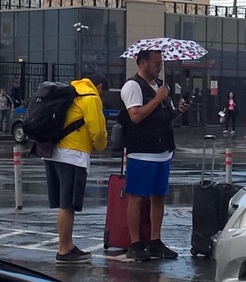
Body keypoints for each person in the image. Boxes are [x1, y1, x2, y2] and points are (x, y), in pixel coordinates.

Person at [120, 50, 188, 261]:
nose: (160, 67)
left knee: (159, 197)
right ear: (142, 63)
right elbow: (136, 116)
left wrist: (177, 110)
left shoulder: (159, 86)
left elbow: (164, 116)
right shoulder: (133, 86)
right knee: (137, 197)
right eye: (156, 63)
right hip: (142, 152)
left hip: (163, 150)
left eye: (161, 63)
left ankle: (155, 241)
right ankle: (135, 243)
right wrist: (158, 99)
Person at [44, 73, 109, 264]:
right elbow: (97, 131)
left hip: (54, 152)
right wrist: (101, 145)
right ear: (99, 86)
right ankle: (64, 249)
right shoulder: (90, 97)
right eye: (103, 92)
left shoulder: (72, 92)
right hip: (73, 155)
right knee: (68, 205)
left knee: (65, 205)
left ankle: (67, 245)